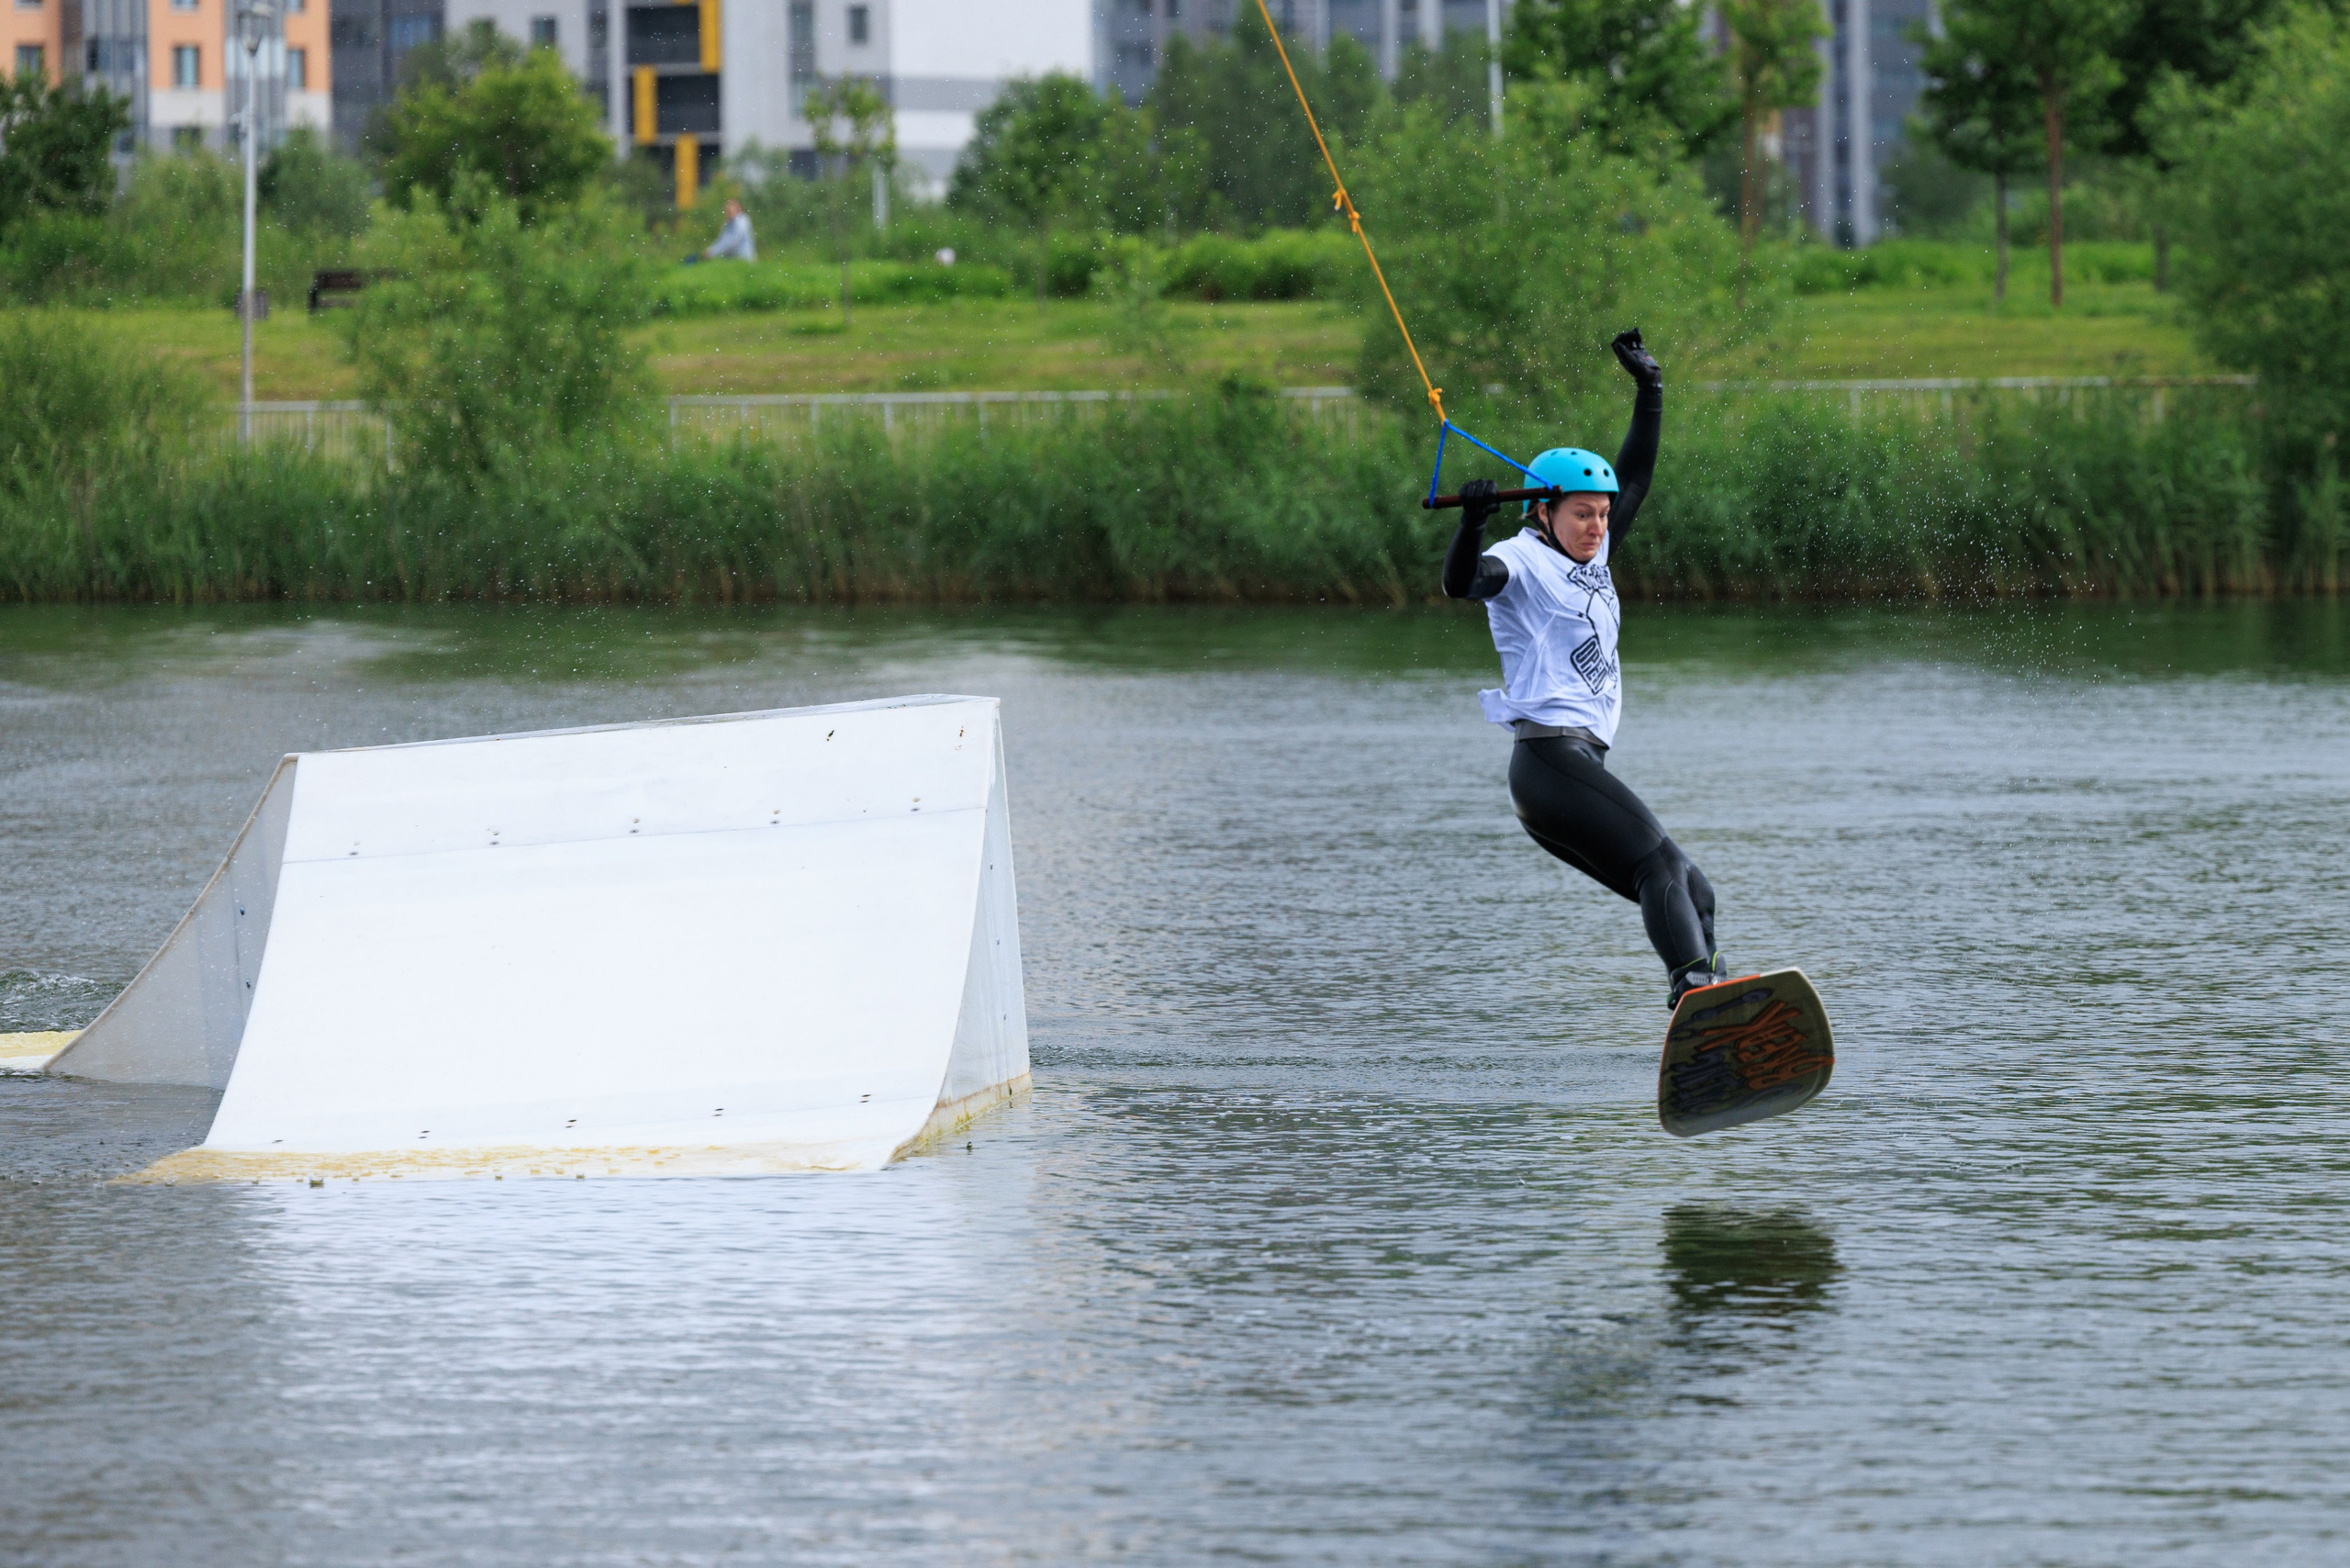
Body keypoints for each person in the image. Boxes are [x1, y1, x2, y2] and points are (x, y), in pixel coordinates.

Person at [1442, 329, 1729, 1009]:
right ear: (1542, 511)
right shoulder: (1520, 559)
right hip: (1550, 763)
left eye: (1601, 515)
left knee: (1694, 889)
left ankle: (1716, 1008)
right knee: (1659, 865)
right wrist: (1471, 525)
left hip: (1577, 766)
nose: (1598, 526)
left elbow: (1636, 479)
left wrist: (1651, 389)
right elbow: (1463, 583)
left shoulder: (1591, 558)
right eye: (1582, 514)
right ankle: (1696, 990)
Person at [685, 198, 755, 264]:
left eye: (730, 209)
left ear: (738, 209)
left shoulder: (742, 221)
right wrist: (711, 250)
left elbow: (733, 241)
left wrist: (712, 252)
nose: (728, 212)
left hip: (744, 259)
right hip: (733, 260)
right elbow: (722, 240)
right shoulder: (728, 223)